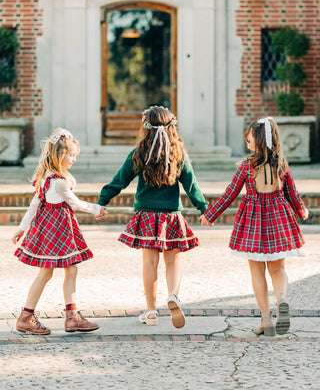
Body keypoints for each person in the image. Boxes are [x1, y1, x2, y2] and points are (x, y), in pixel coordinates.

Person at [97, 106, 208, 328]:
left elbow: (119, 181)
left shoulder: (139, 153)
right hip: (171, 217)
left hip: (146, 215)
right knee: (173, 261)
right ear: (172, 127)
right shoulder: (179, 154)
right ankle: (173, 295)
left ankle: (151, 311)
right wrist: (205, 209)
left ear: (145, 128)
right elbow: (191, 186)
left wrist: (101, 202)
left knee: (149, 263)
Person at [200, 117, 308, 336]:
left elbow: (230, 194)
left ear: (257, 139)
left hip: (254, 223)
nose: (246, 140)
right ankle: (282, 299)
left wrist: (210, 215)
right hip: (279, 218)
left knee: (257, 271)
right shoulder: (281, 165)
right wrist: (301, 210)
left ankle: (266, 321)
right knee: (278, 269)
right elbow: (292, 193)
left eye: (249, 136)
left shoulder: (247, 167)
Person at [12, 128, 107, 335]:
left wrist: (21, 228)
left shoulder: (45, 178)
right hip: (58, 232)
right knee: (47, 273)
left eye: (75, 155)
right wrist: (96, 209)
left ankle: (71, 317)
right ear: (59, 155)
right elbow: (75, 203)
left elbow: (33, 207)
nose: (74, 159)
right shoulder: (59, 182)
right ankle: (26, 317)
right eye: (71, 155)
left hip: (48, 231)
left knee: (68, 270)